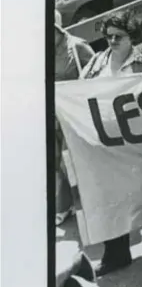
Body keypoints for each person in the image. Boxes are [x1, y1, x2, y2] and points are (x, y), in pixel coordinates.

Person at [81, 12, 142, 276]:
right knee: (112, 200)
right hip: (106, 145)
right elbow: (80, 89)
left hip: (137, 144)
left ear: (132, 37)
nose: (112, 41)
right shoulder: (99, 61)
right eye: (108, 36)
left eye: (118, 37)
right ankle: (117, 255)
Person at [54, 12, 94, 225]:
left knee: (69, 161)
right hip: (51, 116)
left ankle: (81, 203)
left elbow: (96, 78)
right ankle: (63, 204)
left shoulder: (77, 47)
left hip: (73, 116)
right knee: (54, 162)